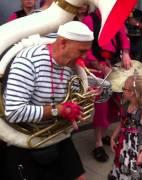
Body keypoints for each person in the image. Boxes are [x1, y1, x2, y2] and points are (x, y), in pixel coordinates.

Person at [3, 21, 93, 180]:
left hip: (57, 135)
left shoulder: (70, 65)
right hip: (25, 140)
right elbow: (13, 112)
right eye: (82, 51)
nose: (85, 57)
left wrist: (82, 100)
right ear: (63, 43)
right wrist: (58, 110)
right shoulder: (28, 62)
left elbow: (69, 98)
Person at [82, 9, 132, 162]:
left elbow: (124, 38)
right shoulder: (89, 20)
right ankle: (98, 144)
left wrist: (125, 53)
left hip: (114, 68)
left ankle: (103, 135)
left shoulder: (115, 18)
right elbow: (85, 48)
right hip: (96, 70)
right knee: (101, 108)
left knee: (113, 107)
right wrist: (100, 65)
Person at [108, 75, 142, 179]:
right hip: (125, 146)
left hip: (137, 148)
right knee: (123, 169)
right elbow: (122, 123)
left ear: (132, 93)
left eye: (124, 88)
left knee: (135, 171)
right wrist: (113, 137)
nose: (122, 91)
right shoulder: (125, 106)